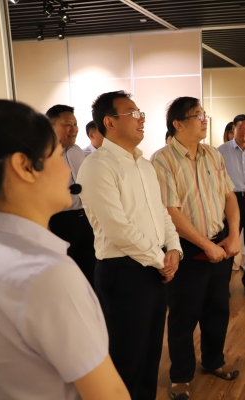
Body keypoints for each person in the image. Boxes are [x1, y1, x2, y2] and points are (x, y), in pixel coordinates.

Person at [0, 99, 130, 400]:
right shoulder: (48, 275)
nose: (67, 171)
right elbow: (109, 393)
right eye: (57, 155)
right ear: (25, 166)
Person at [77, 91, 182, 400]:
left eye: (141, 113)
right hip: (122, 272)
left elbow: (161, 212)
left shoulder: (144, 165)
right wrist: (160, 260)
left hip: (153, 268)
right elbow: (118, 229)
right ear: (109, 122)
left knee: (150, 354)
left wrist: (173, 248)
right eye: (133, 113)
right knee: (126, 359)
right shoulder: (97, 166)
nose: (141, 119)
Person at [151, 97, 240, 400]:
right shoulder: (162, 160)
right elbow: (170, 212)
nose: (204, 120)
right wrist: (205, 245)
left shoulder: (213, 154)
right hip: (186, 250)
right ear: (178, 123)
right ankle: (180, 375)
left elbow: (229, 196)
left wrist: (234, 235)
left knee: (218, 308)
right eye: (197, 115)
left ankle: (213, 360)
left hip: (220, 244)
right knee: (183, 315)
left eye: (204, 114)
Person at [46, 105, 96, 287]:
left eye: (75, 124)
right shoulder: (43, 155)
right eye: (67, 124)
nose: (73, 128)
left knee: (90, 274)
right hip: (59, 221)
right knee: (64, 276)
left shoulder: (76, 151)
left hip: (85, 219)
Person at [217, 114, 245, 299]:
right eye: (241, 128)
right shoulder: (222, 150)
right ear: (233, 130)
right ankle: (223, 284)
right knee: (230, 238)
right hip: (232, 199)